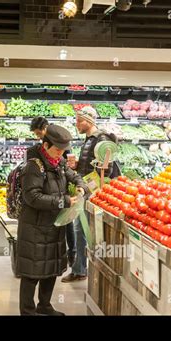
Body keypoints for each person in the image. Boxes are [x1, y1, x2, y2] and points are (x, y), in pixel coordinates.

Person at [17, 125, 89, 316]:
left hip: (55, 224)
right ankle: (27, 311)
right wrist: (63, 201)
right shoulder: (33, 166)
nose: (60, 154)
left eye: (63, 150)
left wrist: (81, 187)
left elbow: (75, 176)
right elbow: (32, 197)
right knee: (32, 272)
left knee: (51, 269)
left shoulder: (59, 162)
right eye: (57, 150)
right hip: (35, 227)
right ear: (45, 145)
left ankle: (44, 305)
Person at [62, 106, 120, 283]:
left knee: (81, 230)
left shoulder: (101, 140)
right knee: (80, 229)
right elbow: (92, 166)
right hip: (88, 189)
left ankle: (80, 269)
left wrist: (85, 189)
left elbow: (106, 171)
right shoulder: (89, 139)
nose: (76, 123)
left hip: (94, 192)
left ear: (89, 121)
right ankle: (81, 267)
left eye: (79, 120)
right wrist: (79, 165)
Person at [29, 117, 76, 267]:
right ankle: (68, 255)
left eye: (38, 133)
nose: (38, 137)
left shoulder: (59, 146)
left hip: (60, 191)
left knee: (66, 224)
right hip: (52, 200)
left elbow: (69, 170)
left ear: (45, 128)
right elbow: (33, 196)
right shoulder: (35, 157)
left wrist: (80, 186)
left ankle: (71, 254)